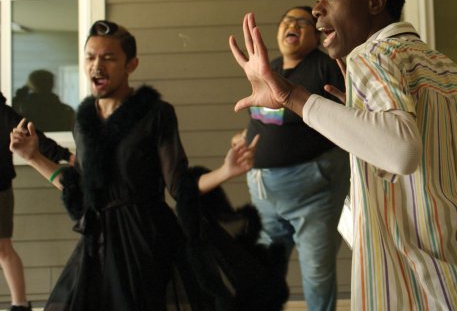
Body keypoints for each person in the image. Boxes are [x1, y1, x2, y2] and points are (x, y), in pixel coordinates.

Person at [229, 0, 457, 310]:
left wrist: (292, 97)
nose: (317, 8)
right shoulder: (441, 64)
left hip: (424, 285)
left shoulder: (372, 54)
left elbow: (401, 151)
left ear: (374, 2)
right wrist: (353, 120)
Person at [10, 20, 289, 311]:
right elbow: (79, 189)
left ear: (131, 64)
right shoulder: (84, 121)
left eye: (108, 57)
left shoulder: (155, 114)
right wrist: (34, 157)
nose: (97, 65)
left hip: (146, 240)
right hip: (99, 245)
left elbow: (179, 185)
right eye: (91, 57)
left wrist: (225, 171)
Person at [231, 6, 349, 311]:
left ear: (315, 34)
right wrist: (244, 138)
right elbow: (263, 116)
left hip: (313, 194)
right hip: (264, 196)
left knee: (316, 273)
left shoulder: (325, 68)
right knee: (264, 272)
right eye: (287, 20)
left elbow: (347, 121)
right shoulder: (268, 68)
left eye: (301, 22)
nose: (292, 25)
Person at [1, 93, 72, 311]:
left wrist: (67, 156)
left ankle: (19, 305)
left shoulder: (1, 113)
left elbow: (33, 137)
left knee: (2, 247)